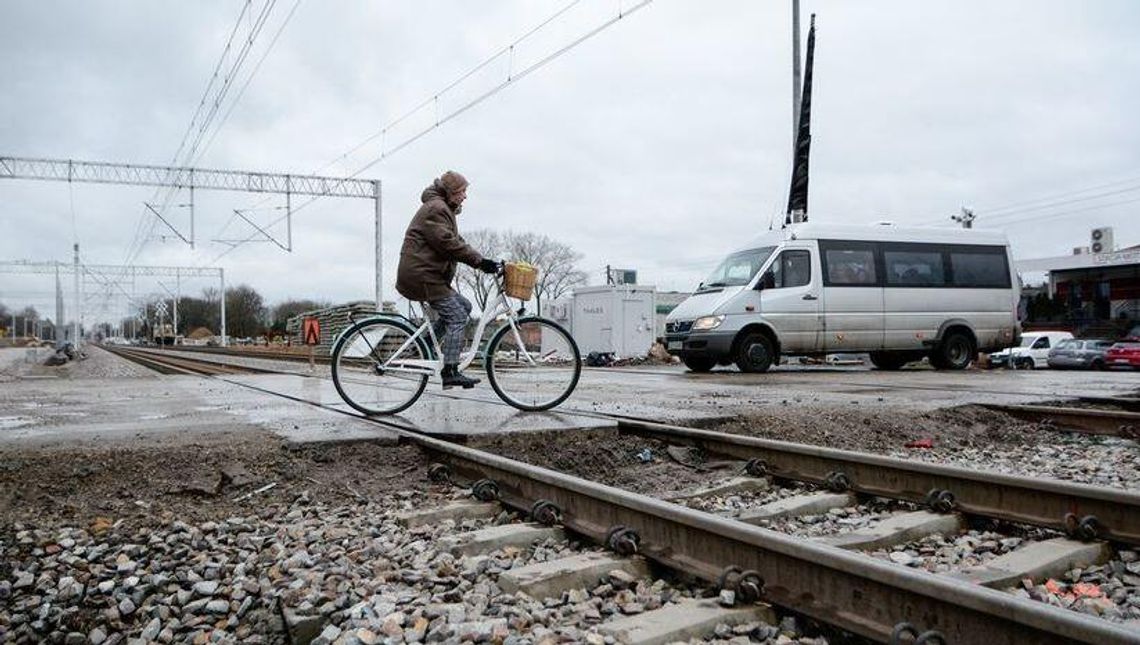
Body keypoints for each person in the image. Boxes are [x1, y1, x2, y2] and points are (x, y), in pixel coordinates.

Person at [395, 171, 499, 389]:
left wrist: (483, 260)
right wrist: (480, 263)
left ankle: (423, 345)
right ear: (451, 192)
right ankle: (450, 370)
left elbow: (456, 241)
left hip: (426, 274)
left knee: (465, 305)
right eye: (462, 191)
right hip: (422, 275)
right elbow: (448, 244)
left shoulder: (442, 209)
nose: (465, 196)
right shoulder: (437, 209)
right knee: (458, 317)